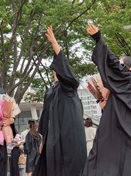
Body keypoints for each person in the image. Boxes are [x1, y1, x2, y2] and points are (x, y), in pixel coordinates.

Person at [82, 24, 131, 176]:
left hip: (126, 133)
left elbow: (111, 62)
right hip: (122, 131)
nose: (117, 65)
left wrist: (98, 38)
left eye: (121, 63)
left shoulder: (128, 79)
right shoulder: (125, 87)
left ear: (129, 68)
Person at [34, 26, 86, 176]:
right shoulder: (51, 91)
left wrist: (54, 43)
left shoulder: (69, 88)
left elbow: (65, 69)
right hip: (53, 138)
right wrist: (43, 140)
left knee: (70, 168)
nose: (58, 73)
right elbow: (46, 117)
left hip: (69, 136)